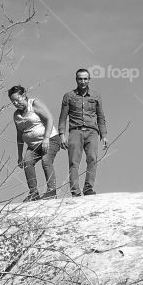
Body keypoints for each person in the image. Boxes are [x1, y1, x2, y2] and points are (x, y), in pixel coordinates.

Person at [58, 68, 107, 197]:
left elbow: (101, 117)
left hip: (92, 132)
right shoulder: (69, 96)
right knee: (74, 162)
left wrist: (104, 135)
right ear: (76, 80)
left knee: (92, 159)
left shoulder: (96, 96)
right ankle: (75, 191)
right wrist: (62, 135)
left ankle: (88, 188)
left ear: (89, 80)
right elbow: (63, 117)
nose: (83, 81)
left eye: (85, 78)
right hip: (75, 131)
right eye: (80, 78)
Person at [8, 85, 59, 199]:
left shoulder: (34, 104)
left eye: (17, 99)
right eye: (13, 101)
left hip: (50, 139)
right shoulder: (16, 115)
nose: (15, 103)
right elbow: (19, 136)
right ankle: (34, 193)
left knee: (46, 161)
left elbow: (50, 118)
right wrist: (19, 156)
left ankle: (51, 191)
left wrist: (46, 138)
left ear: (24, 95)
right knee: (27, 162)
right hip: (33, 145)